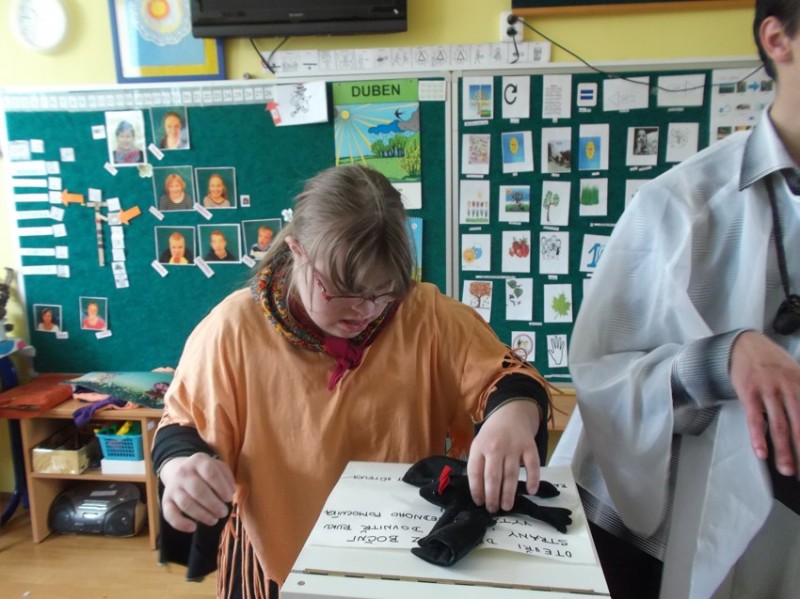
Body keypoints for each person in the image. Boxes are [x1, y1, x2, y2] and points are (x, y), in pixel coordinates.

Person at [152, 164, 553, 598]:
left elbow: (506, 378)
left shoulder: (426, 316)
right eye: (342, 290)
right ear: (296, 250)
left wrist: (512, 416)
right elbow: (184, 424)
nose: (365, 310)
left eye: (383, 292)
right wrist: (180, 468)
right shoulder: (234, 328)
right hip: (273, 555)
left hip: (397, 551)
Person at [563, 2, 800, 598]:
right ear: (779, 40)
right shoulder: (682, 206)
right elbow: (603, 379)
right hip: (686, 532)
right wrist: (723, 358)